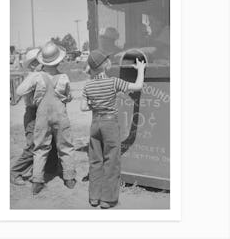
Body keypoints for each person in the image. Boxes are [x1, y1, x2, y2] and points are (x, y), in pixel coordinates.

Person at [80, 49, 146, 209]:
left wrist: (96, 104)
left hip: (95, 124)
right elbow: (137, 86)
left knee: (95, 160)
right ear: (105, 65)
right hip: (110, 124)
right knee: (112, 161)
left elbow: (83, 107)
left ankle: (94, 197)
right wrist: (141, 69)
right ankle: (107, 199)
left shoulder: (87, 85)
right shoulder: (113, 82)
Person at [19, 42, 76, 195]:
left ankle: (37, 181)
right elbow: (69, 97)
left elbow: (19, 90)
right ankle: (69, 178)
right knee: (65, 146)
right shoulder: (64, 77)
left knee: (40, 148)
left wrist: (34, 76)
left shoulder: (37, 76)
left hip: (42, 116)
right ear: (59, 60)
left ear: (43, 61)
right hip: (60, 115)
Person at [10, 48, 58, 185]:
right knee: (33, 146)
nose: (43, 63)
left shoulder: (43, 75)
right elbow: (19, 91)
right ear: (32, 65)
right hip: (33, 114)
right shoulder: (33, 76)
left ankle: (50, 168)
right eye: (39, 61)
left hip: (44, 112)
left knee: (51, 141)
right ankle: (15, 172)